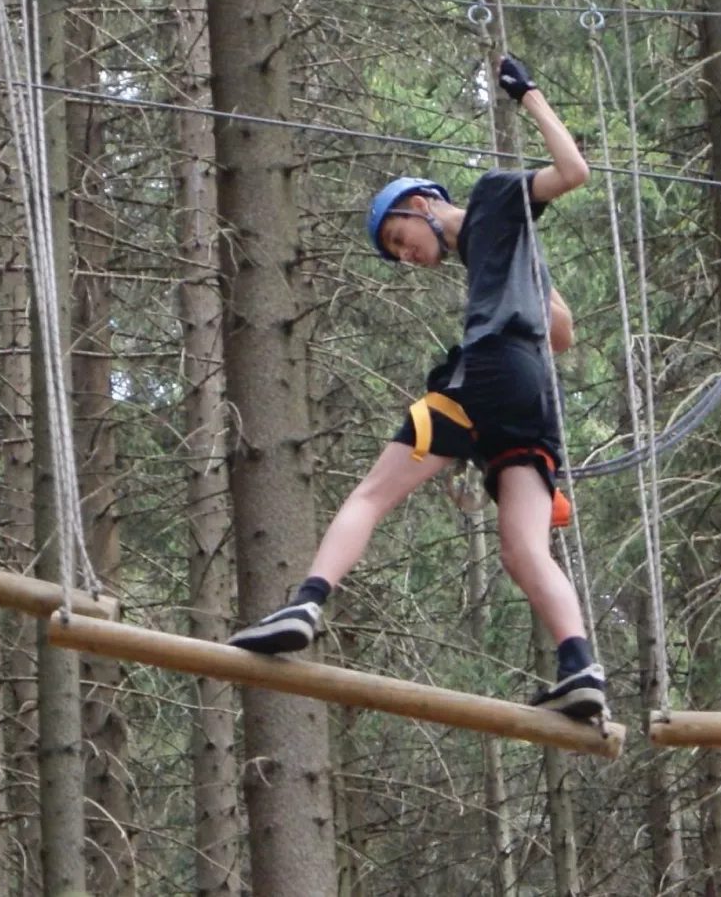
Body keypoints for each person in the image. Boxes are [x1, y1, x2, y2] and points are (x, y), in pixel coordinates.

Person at [228, 56, 607, 720]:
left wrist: (530, 96)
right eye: (398, 253)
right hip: (532, 401)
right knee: (523, 548)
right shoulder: (497, 242)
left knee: (373, 493)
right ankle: (580, 666)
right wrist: (525, 273)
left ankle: (307, 601)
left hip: (488, 375)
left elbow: (573, 172)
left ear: (423, 204)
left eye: (400, 239)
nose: (406, 256)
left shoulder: (493, 194)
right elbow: (564, 331)